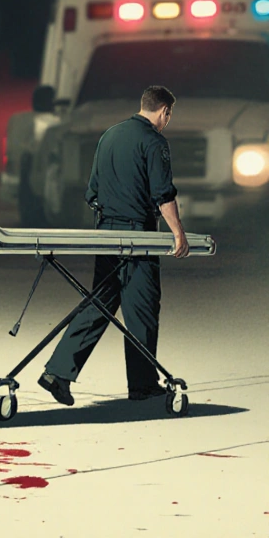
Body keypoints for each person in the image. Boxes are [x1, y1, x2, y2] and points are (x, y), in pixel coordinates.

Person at [38, 85, 189, 406]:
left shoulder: (109, 136)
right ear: (164, 111)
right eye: (168, 116)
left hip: (105, 232)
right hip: (138, 236)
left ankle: (58, 372)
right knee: (142, 309)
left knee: (99, 303)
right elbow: (163, 194)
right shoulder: (154, 141)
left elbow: (91, 192)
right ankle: (143, 385)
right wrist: (178, 233)